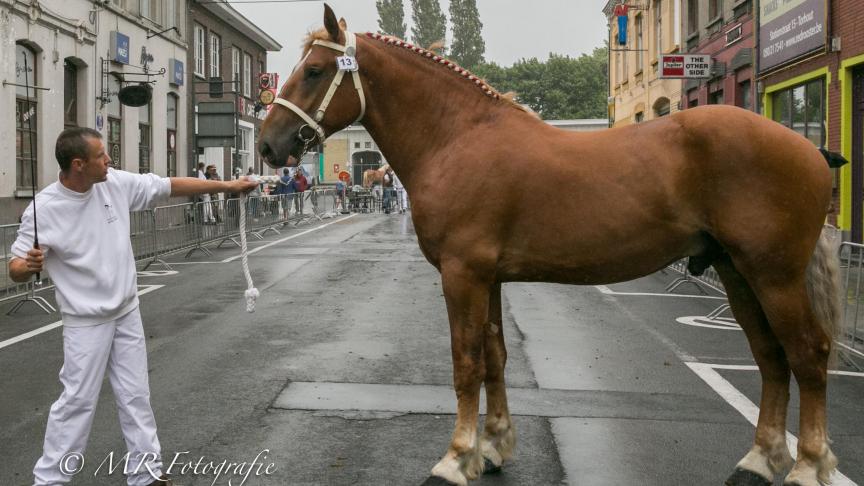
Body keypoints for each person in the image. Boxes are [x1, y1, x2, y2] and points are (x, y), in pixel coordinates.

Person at [9, 127, 258, 486]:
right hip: (86, 322)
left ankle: (146, 474)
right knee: (77, 403)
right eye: (101, 155)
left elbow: (169, 185)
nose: (109, 160)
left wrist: (229, 187)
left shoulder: (114, 183)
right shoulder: (44, 209)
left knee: (136, 395)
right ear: (78, 164)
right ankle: (49, 480)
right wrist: (26, 266)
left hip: (126, 310)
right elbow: (16, 267)